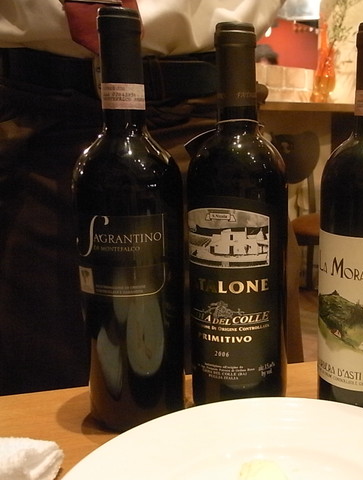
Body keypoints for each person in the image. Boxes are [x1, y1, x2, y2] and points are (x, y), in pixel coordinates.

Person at [0, 0, 305, 396]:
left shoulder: (238, 158)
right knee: (50, 373)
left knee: (249, 372)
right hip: (33, 120)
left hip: (199, 111)